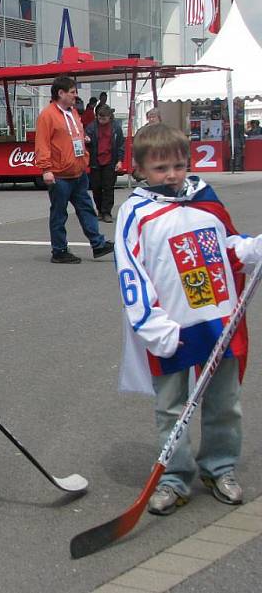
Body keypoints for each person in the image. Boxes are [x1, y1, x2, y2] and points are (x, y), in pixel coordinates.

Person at [113, 123, 262, 516]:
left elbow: (228, 243)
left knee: (224, 402)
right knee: (172, 407)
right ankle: (175, 476)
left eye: (179, 165)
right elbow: (132, 275)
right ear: (141, 168)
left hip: (218, 320)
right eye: (161, 168)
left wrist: (251, 250)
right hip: (171, 326)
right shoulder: (135, 213)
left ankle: (220, 467)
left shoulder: (204, 199)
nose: (172, 175)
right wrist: (154, 329)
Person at [35, 76, 114, 264]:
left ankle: (98, 244)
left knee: (86, 209)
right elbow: (42, 143)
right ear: (60, 93)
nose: (75, 96)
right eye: (72, 92)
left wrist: (83, 138)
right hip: (60, 174)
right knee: (59, 214)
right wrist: (46, 169)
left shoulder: (72, 112)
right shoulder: (47, 115)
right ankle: (59, 250)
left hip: (77, 172)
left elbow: (73, 133)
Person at [85, 105, 125, 223]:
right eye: (99, 118)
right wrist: (87, 141)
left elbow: (120, 145)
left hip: (110, 161)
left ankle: (107, 212)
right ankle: (100, 211)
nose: (101, 121)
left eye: (104, 119)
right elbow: (86, 141)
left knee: (108, 188)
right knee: (96, 187)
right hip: (95, 160)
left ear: (109, 117)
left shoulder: (116, 128)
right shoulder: (91, 127)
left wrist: (119, 160)